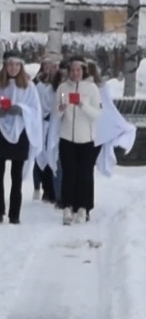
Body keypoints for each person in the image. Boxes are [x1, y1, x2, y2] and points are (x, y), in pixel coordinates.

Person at [0, 51, 42, 225]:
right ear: (5, 66)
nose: (13, 68)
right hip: (0, 131)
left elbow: (35, 110)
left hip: (20, 132)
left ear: (21, 66)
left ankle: (15, 213)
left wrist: (21, 110)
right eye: (10, 64)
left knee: (16, 175)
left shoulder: (28, 86)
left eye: (16, 65)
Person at [55, 56, 102, 224]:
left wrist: (82, 104)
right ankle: (67, 206)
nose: (75, 73)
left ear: (83, 71)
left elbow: (97, 114)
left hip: (86, 139)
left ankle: (84, 207)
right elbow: (56, 113)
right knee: (68, 173)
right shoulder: (62, 87)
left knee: (85, 174)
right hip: (67, 137)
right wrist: (62, 108)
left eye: (78, 70)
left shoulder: (92, 88)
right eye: (72, 70)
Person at [32, 57, 60, 203]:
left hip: (55, 125)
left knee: (53, 155)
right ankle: (44, 188)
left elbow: (61, 100)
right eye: (48, 66)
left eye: (54, 66)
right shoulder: (38, 85)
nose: (51, 69)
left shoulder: (60, 87)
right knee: (41, 155)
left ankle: (54, 191)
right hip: (42, 123)